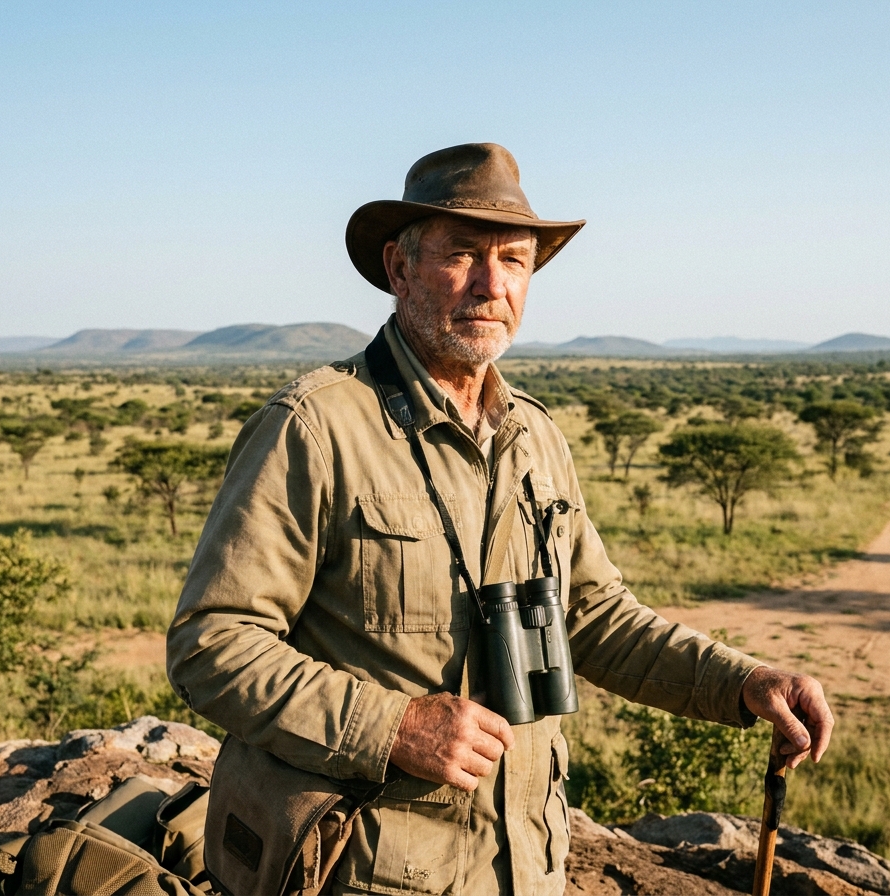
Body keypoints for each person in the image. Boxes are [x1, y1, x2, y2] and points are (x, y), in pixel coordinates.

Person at [167, 142, 833, 896]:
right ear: (399, 269)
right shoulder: (317, 427)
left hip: (524, 865)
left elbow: (593, 615)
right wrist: (390, 727)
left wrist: (743, 683)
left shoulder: (535, 437)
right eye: (463, 255)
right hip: (361, 870)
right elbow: (211, 644)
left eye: (514, 261)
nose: (491, 285)